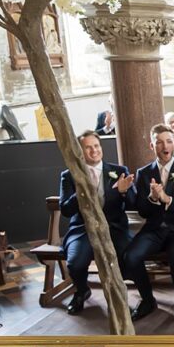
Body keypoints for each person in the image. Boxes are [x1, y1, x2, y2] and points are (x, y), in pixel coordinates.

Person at [124, 124, 174, 321]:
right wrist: (151, 198)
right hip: (154, 229)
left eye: (168, 141)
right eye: (159, 142)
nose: (164, 146)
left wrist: (169, 200)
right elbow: (142, 210)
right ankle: (148, 299)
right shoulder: (144, 173)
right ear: (152, 146)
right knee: (131, 256)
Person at [58, 131, 134, 315]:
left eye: (97, 146)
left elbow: (133, 203)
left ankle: (119, 295)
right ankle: (82, 291)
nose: (94, 151)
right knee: (75, 263)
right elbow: (66, 210)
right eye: (88, 147)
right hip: (83, 229)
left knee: (127, 256)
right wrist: (81, 191)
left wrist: (124, 192)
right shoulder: (70, 175)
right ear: (80, 151)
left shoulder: (119, 171)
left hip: (114, 227)